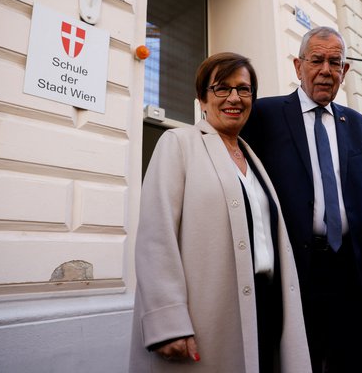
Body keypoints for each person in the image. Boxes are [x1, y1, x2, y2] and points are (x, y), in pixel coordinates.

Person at [129, 52, 311, 373]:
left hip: (267, 307)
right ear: (202, 98)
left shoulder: (253, 158)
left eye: (244, 89)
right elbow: (156, 238)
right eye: (221, 88)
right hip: (209, 315)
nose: (234, 98)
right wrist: (168, 321)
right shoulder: (178, 143)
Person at [242, 26, 362, 373]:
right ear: (299, 66)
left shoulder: (357, 125)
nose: (325, 69)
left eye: (335, 62)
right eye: (316, 60)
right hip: (292, 271)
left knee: (351, 363)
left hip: (349, 270)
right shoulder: (265, 115)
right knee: (300, 364)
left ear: (344, 71)